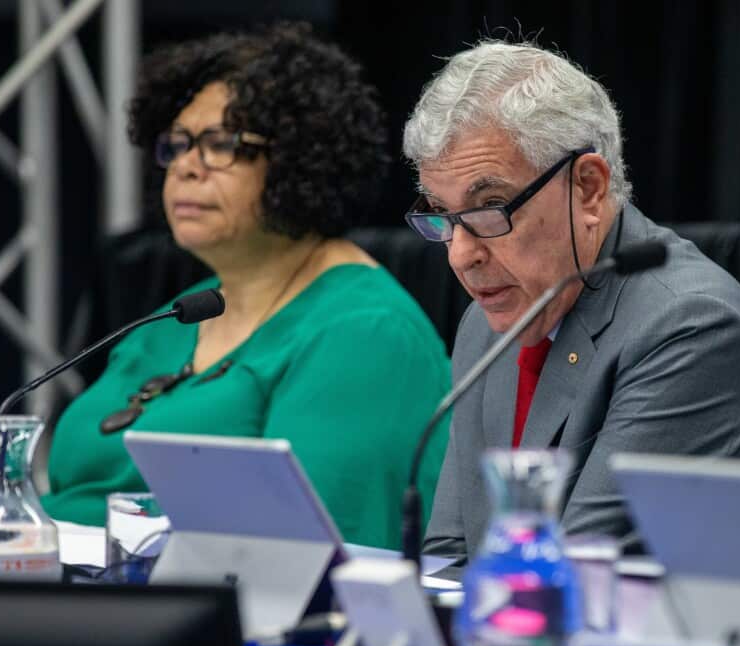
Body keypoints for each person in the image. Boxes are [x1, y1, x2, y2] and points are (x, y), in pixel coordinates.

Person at [402, 40, 740, 567]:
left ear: (588, 189)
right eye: (441, 214)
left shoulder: (690, 327)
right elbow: (450, 553)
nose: (461, 255)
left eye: (491, 207)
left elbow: (574, 572)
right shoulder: (488, 325)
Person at [42, 23, 450, 550]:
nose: (186, 167)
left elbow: (309, 553)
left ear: (301, 160)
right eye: (178, 145)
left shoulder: (368, 335)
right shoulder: (172, 319)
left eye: (221, 144)